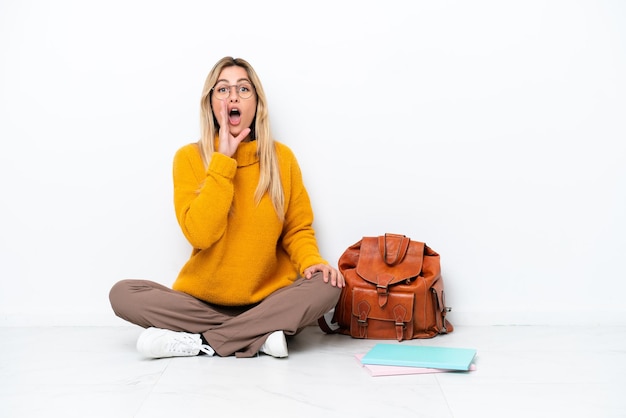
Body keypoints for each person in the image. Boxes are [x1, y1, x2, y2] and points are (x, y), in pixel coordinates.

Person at [109, 56, 344, 359]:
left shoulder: (281, 158)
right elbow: (200, 235)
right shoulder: (189, 158)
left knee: (329, 286)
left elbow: (297, 229)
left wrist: (312, 261)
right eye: (222, 89)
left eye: (243, 89)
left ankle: (202, 341)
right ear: (210, 103)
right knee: (123, 294)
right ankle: (259, 335)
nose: (233, 96)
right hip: (200, 304)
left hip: (268, 300)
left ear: (257, 103)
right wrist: (222, 162)